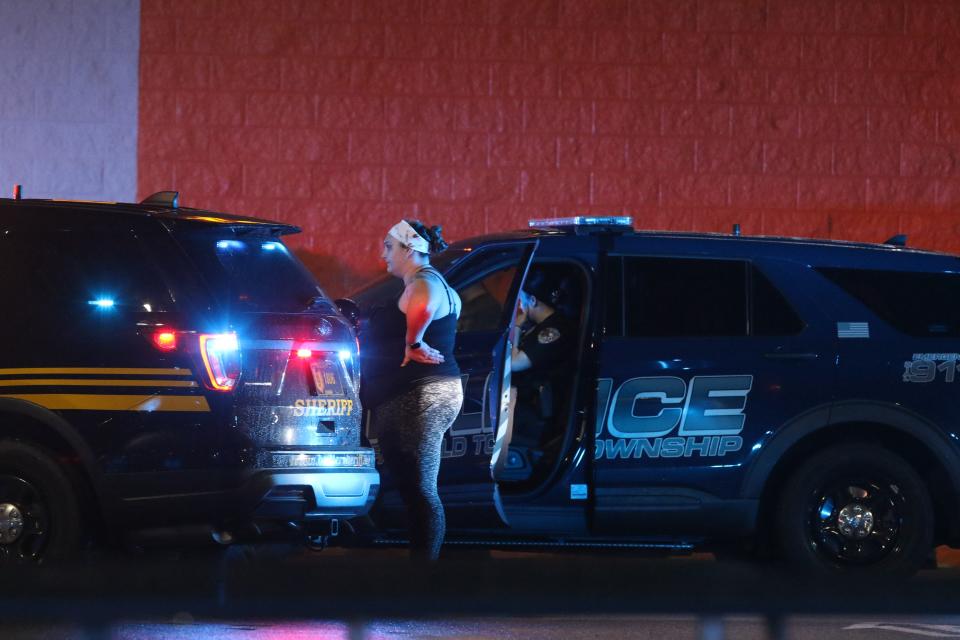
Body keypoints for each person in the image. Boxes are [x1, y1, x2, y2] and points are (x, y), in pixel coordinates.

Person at [359, 219, 463, 561]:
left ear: (409, 249)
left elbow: (423, 304)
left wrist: (413, 341)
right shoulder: (433, 282)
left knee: (419, 488)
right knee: (408, 481)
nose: (383, 254)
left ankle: (423, 572)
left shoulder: (424, 281)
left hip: (420, 395)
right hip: (420, 393)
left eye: (389, 246)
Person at [509, 270, 577, 453]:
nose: (517, 304)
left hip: (537, 408)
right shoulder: (544, 325)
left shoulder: (553, 330)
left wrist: (515, 325)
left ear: (532, 300)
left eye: (520, 298)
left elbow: (514, 363)